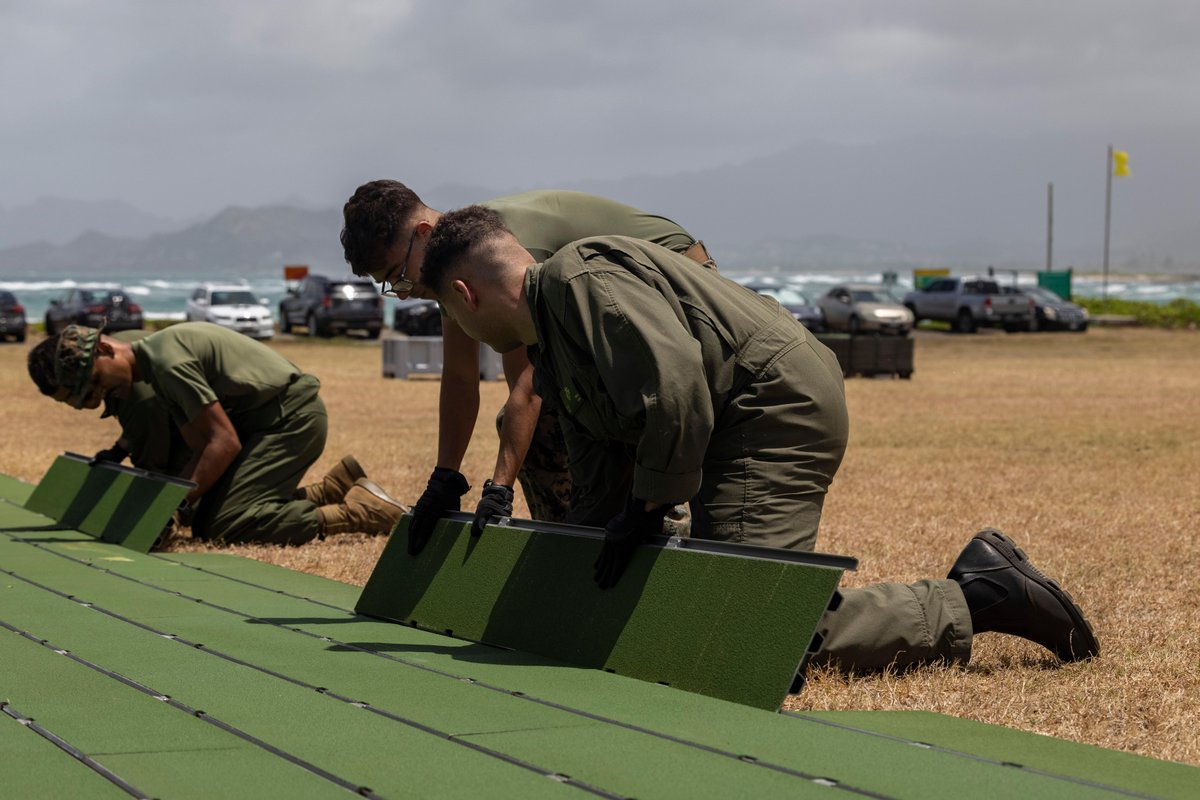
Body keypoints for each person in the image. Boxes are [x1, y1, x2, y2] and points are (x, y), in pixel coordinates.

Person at [416, 205, 1100, 672]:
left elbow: (677, 384)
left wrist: (649, 507)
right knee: (690, 614)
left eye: (447, 314)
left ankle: (977, 596)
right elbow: (604, 458)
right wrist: (595, 547)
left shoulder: (580, 280)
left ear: (465, 296)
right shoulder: (557, 335)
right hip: (733, 422)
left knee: (748, 634)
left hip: (771, 412)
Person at [341, 182, 715, 552]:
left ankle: (643, 535)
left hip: (682, 292)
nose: (403, 292)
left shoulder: (497, 248)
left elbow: (530, 384)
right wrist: (445, 478)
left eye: (398, 275)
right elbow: (459, 375)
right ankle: (583, 545)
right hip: (618, 319)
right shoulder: (449, 262)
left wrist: (499, 487)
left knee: (544, 428)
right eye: (389, 285)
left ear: (422, 234)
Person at [27, 322, 405, 545]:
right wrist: (183, 500)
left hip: (290, 420)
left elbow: (222, 442)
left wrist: (171, 505)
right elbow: (200, 447)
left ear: (106, 348)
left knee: (225, 524)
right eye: (89, 396)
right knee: (206, 514)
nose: (100, 396)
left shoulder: (167, 363)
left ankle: (360, 512)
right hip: (269, 418)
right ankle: (332, 487)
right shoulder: (155, 367)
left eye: (95, 382)